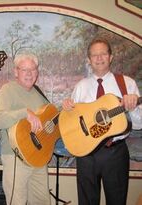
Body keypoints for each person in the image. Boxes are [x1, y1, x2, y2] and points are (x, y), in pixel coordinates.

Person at [62, 38, 142, 205]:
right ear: (89, 60)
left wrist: (133, 107)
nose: (99, 58)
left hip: (115, 153)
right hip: (86, 155)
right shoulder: (81, 86)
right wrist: (67, 108)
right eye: (94, 55)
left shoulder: (127, 83)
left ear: (110, 57)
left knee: (117, 201)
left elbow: (139, 124)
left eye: (103, 54)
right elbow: (72, 120)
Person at [0, 54, 52, 205]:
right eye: (24, 69)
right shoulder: (7, 90)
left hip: (38, 157)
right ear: (16, 72)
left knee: (42, 202)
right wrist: (25, 113)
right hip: (15, 157)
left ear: (37, 73)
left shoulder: (38, 93)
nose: (29, 73)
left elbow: (50, 122)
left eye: (32, 69)